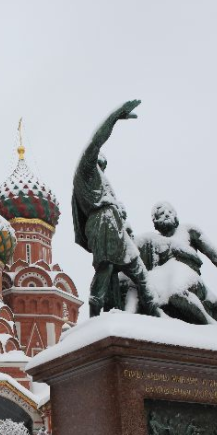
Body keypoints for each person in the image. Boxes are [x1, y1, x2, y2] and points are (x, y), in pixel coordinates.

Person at [72, 100, 161, 317]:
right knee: (106, 268)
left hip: (111, 224)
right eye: (100, 160)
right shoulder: (87, 169)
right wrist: (115, 117)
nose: (103, 163)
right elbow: (96, 141)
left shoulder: (98, 179)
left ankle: (155, 312)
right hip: (103, 223)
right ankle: (95, 315)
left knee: (137, 269)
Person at [135, 201, 217, 325]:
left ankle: (212, 326)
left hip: (190, 279)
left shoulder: (188, 231)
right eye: (161, 213)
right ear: (155, 222)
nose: (166, 215)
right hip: (165, 281)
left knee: (176, 293)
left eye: (170, 212)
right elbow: (131, 257)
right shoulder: (152, 241)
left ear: (176, 216)